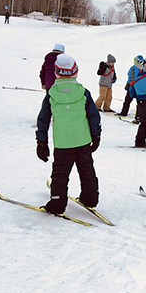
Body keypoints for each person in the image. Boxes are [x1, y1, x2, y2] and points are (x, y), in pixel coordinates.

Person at [35, 53, 101, 214]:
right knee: (86, 170)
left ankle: (57, 203)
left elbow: (43, 119)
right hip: (83, 140)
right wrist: (96, 135)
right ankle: (90, 197)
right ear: (75, 71)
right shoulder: (83, 92)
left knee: (60, 173)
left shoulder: (51, 95)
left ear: (57, 72)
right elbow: (93, 115)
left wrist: (41, 141)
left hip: (63, 143)